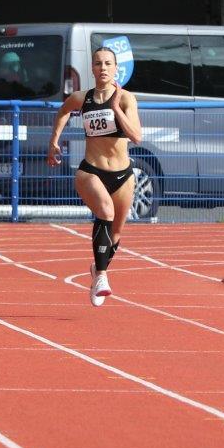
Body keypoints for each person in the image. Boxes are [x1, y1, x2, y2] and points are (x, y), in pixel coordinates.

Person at [45, 46, 142, 306]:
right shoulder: (82, 98)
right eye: (98, 63)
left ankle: (97, 268)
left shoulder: (126, 99)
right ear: (92, 68)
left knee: (117, 232)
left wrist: (116, 108)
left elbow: (136, 136)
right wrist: (54, 140)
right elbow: (63, 111)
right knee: (105, 212)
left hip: (122, 174)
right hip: (91, 170)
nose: (103, 68)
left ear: (116, 68)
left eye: (108, 63)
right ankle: (101, 276)